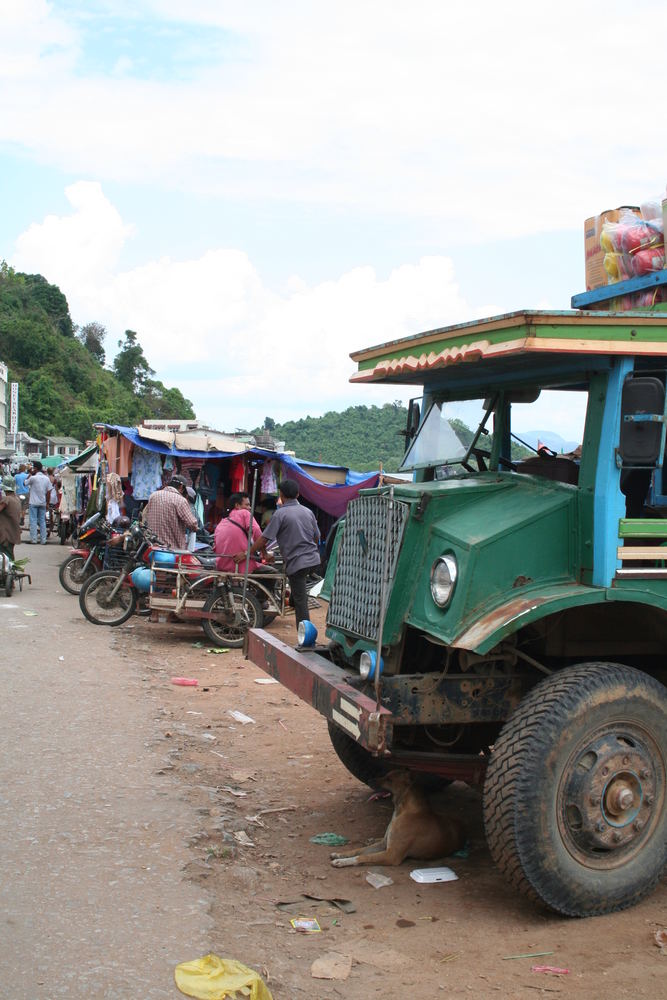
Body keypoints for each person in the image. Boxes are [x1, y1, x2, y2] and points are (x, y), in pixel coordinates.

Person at [234, 479, 321, 631]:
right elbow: (316, 536)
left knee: (300, 601)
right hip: (313, 560)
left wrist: (248, 553)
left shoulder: (280, 514)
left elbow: (263, 539)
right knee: (298, 588)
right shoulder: (308, 512)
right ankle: (294, 599)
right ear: (298, 494)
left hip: (297, 563)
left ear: (281, 494)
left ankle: (306, 638)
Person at [142, 474, 198, 550]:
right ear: (181, 487)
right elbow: (193, 524)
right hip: (172, 550)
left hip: (152, 547)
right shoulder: (180, 500)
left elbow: (144, 515)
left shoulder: (153, 496)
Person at [214, 492, 263, 572]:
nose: (249, 508)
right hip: (242, 566)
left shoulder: (222, 521)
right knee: (272, 572)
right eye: (247, 505)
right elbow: (257, 532)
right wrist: (264, 552)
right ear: (237, 505)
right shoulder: (244, 513)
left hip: (222, 566)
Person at [24, 461, 51, 544]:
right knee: (42, 521)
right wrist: (47, 503)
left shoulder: (33, 478)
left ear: (35, 468)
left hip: (33, 503)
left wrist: (30, 474)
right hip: (42, 502)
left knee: (33, 521)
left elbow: (24, 483)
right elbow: (49, 491)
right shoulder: (46, 478)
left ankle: (34, 539)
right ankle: (43, 540)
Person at [0, 476, 22, 560]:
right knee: (9, 553)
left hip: (6, 533)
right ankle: (11, 569)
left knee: (6, 555)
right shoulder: (16, 499)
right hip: (13, 531)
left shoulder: (7, 499)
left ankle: (11, 570)